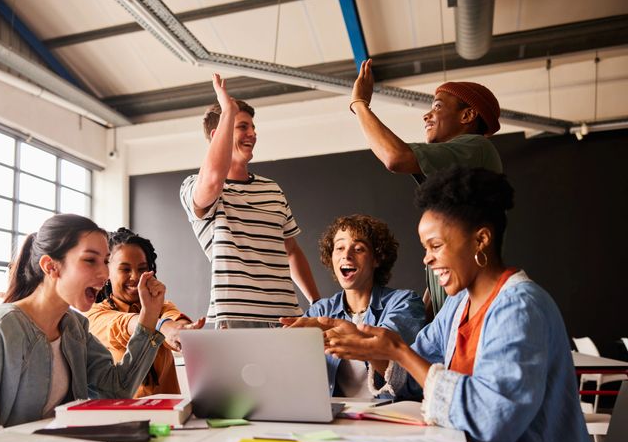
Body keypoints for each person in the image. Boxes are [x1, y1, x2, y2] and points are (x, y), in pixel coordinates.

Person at [284, 166, 599, 442]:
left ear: (481, 240)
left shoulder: (520, 307)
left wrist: (397, 350)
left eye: (436, 245)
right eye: (424, 247)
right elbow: (411, 377)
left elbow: (494, 420)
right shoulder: (458, 305)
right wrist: (377, 350)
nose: (427, 258)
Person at [0, 214, 166, 438]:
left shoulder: (75, 329)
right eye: (90, 260)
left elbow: (116, 391)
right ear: (50, 266)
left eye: (105, 261)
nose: (104, 273)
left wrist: (149, 315)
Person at [349, 58, 503, 318]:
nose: (427, 115)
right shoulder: (451, 168)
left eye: (438, 107)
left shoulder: (477, 146)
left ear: (467, 116)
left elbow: (395, 157)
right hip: (453, 313)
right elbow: (438, 280)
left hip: (471, 312)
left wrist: (359, 104)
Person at [180, 73, 320, 328]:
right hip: (235, 318)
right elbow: (212, 181)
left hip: (288, 318)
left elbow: (291, 251)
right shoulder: (193, 185)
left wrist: (317, 302)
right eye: (242, 126)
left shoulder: (272, 189)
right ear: (217, 134)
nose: (252, 133)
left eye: (253, 127)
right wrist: (227, 111)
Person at [300, 214, 425, 397]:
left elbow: (386, 354)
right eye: (339, 248)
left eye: (358, 249)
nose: (346, 255)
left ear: (377, 259)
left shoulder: (404, 302)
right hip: (338, 417)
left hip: (389, 412)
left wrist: (340, 334)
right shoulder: (321, 310)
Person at [85, 228, 204, 397]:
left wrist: (182, 331)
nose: (135, 277)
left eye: (142, 269)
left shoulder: (161, 306)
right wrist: (162, 326)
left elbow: (176, 323)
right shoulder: (95, 315)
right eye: (125, 269)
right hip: (124, 417)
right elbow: (126, 324)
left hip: (168, 417)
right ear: (107, 272)